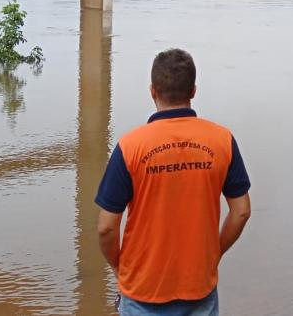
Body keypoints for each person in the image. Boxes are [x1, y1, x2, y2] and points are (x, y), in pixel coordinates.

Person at [95, 49, 252, 315]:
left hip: (142, 290)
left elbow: (106, 229)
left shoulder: (130, 147)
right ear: (193, 91)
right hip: (199, 286)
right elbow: (242, 211)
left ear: (152, 91)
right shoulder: (222, 140)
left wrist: (119, 267)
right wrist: (214, 253)